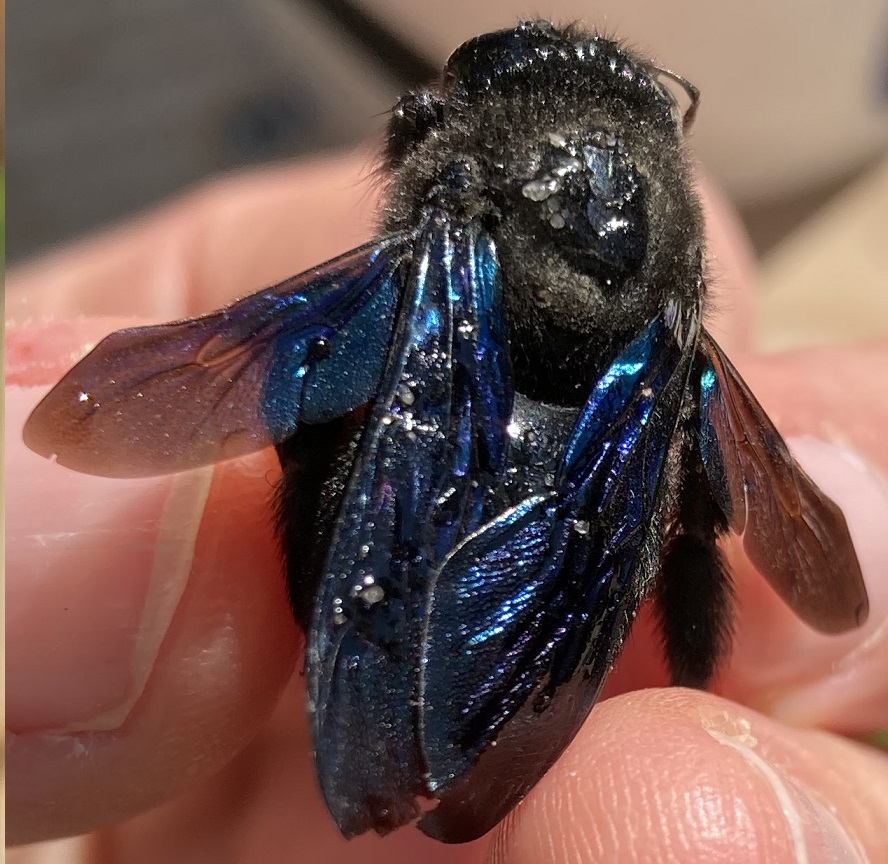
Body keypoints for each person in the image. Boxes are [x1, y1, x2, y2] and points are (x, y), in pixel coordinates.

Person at [6, 153, 887, 863]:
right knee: (692, 524)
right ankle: (683, 702)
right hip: (501, 643)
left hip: (368, 629)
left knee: (315, 423)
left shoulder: (451, 223)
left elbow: (176, 392)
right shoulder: (660, 300)